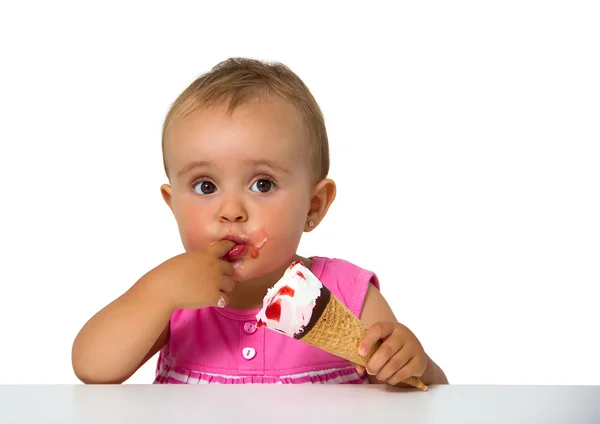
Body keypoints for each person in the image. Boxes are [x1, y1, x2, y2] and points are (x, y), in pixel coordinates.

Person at [71, 58, 449, 386]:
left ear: (313, 206)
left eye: (262, 184)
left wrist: (416, 364)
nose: (232, 210)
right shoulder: (178, 300)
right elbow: (92, 368)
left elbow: (422, 392)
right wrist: (157, 292)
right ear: (173, 205)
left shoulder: (347, 294)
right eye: (205, 186)